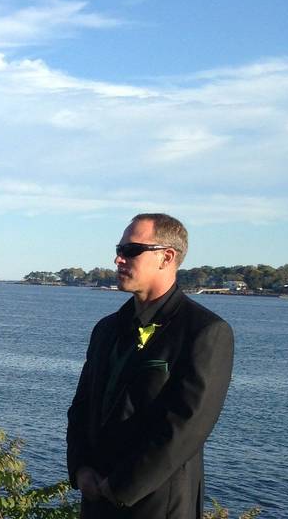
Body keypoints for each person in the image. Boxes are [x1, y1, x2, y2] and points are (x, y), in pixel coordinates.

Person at [66, 213, 234, 518]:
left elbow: (186, 427)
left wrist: (120, 486)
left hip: (158, 505)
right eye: (119, 249)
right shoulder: (106, 329)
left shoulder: (204, 331)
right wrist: (80, 467)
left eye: (131, 250)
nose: (118, 259)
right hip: (95, 501)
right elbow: (82, 405)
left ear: (166, 257)